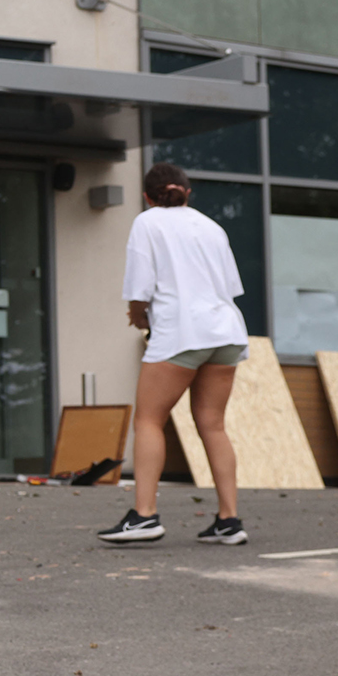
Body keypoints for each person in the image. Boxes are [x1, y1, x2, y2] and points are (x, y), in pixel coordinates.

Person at [99, 163, 250, 545]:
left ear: (148, 196)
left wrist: (137, 318)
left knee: (149, 420)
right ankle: (229, 520)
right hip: (226, 330)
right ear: (187, 192)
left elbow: (139, 286)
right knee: (213, 424)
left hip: (183, 332)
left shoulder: (148, 223)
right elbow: (230, 286)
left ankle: (145, 516)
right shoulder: (212, 227)